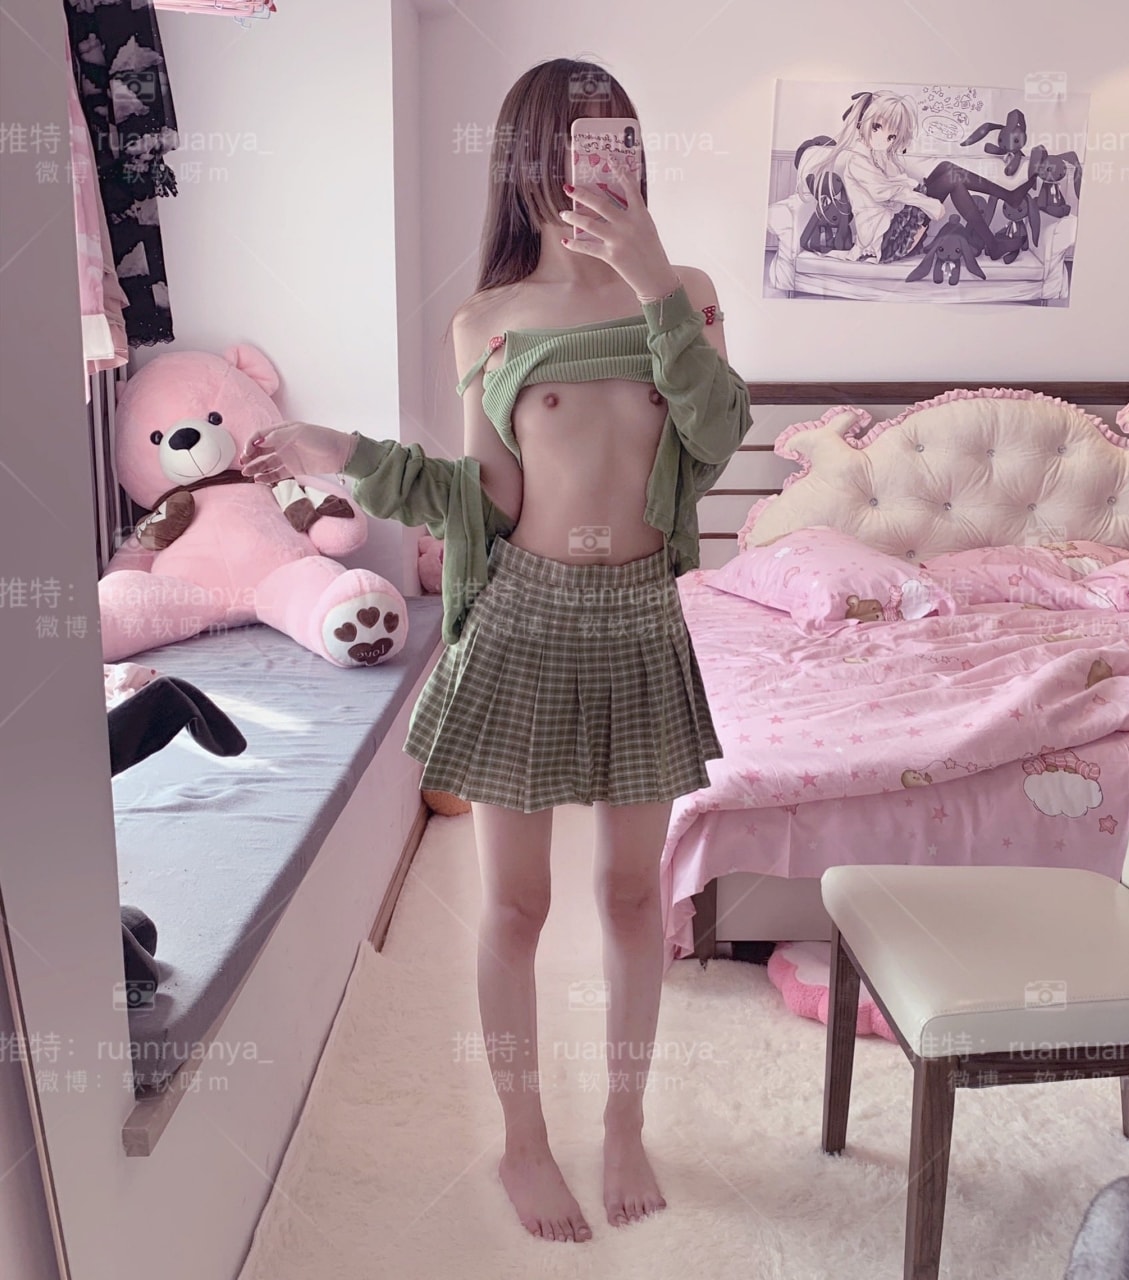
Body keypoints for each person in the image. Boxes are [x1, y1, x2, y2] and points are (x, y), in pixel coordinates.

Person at [239, 58, 752, 1245]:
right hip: (522, 620)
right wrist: (342, 448)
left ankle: (622, 1118)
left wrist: (652, 284)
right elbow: (483, 498)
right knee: (514, 904)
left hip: (638, 620)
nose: (602, 164)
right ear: (528, 159)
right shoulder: (486, 318)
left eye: (620, 139)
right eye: (577, 142)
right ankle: (522, 1138)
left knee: (629, 892)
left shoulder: (687, 288)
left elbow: (719, 434)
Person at [802, 89, 1036, 264]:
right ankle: (998, 229)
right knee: (950, 178)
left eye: (892, 136)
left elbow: (899, 183)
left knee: (946, 169)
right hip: (887, 240)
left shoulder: (878, 155)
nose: (885, 139)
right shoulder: (857, 160)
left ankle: (1005, 210)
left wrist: (919, 191)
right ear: (863, 123)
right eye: (877, 127)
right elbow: (884, 192)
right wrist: (927, 202)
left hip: (896, 225)